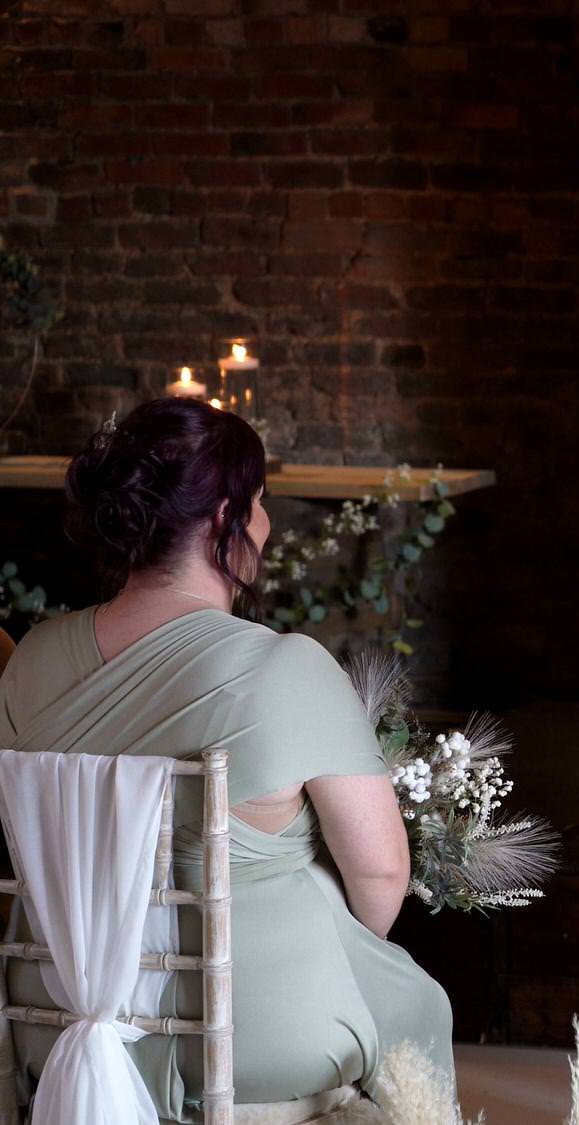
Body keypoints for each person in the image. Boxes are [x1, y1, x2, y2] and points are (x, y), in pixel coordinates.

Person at [0, 398, 453, 1119]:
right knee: (414, 1001)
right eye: (260, 503)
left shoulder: (30, 660)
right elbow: (381, 876)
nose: (266, 525)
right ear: (224, 517)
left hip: (56, 1018)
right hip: (253, 1030)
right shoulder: (285, 668)